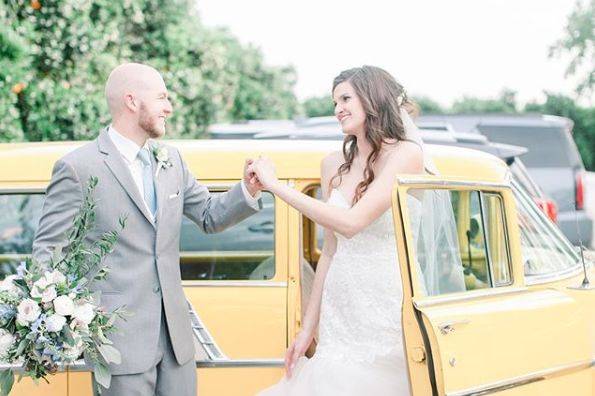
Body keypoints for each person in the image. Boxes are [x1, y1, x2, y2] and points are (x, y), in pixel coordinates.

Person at [32, 62, 262, 396]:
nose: (169, 107)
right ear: (131, 101)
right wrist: (60, 326)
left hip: (176, 344)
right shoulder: (78, 168)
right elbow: (48, 256)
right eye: (161, 98)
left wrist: (248, 189)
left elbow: (210, 216)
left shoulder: (172, 160)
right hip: (116, 343)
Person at [253, 65, 429, 395]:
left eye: (345, 98)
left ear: (372, 99)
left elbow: (352, 223)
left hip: (386, 303)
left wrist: (275, 187)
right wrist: (308, 329)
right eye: (335, 102)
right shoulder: (332, 164)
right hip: (340, 310)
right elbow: (331, 250)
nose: (337, 110)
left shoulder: (406, 155)